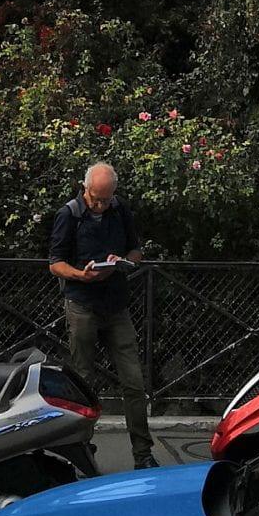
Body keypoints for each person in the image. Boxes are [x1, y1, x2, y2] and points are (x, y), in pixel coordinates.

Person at [49, 160, 155, 469]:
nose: (100, 203)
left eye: (106, 198)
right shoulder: (69, 215)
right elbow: (55, 262)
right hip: (82, 304)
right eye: (96, 197)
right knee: (83, 381)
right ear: (85, 189)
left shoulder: (119, 209)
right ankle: (82, 456)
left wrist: (122, 262)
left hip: (116, 305)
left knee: (134, 381)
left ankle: (143, 454)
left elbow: (136, 251)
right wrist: (80, 275)